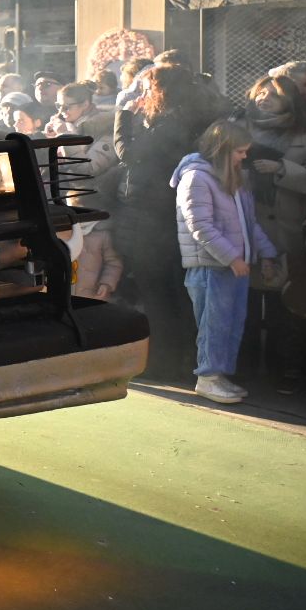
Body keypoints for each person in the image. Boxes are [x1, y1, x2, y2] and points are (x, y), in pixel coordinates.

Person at [172, 120, 280, 404]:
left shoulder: (234, 179)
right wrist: (232, 257)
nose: (244, 157)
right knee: (213, 325)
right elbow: (200, 226)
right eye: (239, 151)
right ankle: (207, 378)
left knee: (230, 323)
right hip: (211, 268)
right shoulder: (196, 178)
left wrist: (266, 253)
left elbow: (249, 224)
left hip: (232, 267)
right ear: (222, 149)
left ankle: (217, 376)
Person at [243, 74, 306, 394]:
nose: (264, 98)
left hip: (286, 231)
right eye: (261, 92)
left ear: (289, 100)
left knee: (282, 307)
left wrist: (282, 169)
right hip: (246, 229)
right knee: (246, 305)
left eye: (273, 94)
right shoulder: (240, 127)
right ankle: (245, 368)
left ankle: (279, 371)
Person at [113, 65, 202, 381]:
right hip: (162, 219)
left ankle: (165, 364)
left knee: (159, 296)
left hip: (155, 221)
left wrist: (123, 114)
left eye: (148, 89)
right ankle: (175, 361)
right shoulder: (183, 120)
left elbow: (128, 152)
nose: (144, 95)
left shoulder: (170, 125)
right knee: (168, 295)